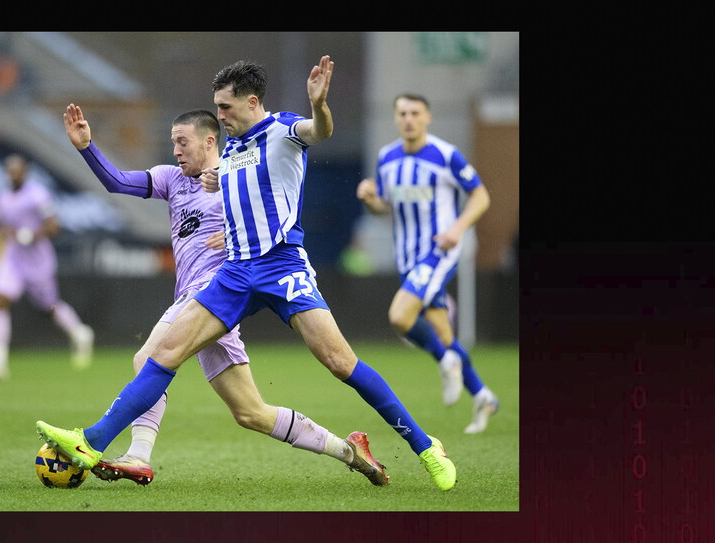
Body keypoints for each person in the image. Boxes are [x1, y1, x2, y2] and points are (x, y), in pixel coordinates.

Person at [37, 56, 456, 491]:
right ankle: (91, 441)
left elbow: (321, 132)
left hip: (281, 266)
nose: (220, 116)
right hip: (236, 273)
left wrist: (320, 105)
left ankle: (427, 447)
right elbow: (233, 189)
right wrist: (221, 193)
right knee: (162, 356)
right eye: (216, 109)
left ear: (251, 102)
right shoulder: (231, 152)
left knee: (340, 363)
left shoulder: (284, 130)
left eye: (225, 108)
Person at [62, 104, 389, 486]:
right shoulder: (172, 179)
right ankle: (351, 452)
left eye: (182, 143)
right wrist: (87, 147)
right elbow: (118, 182)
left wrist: (235, 234)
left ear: (209, 141)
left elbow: (274, 223)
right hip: (200, 306)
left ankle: (138, 454)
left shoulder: (237, 180)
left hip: (215, 293)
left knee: (147, 357)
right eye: (173, 143)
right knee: (251, 413)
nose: (176, 151)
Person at [355, 93, 499, 433]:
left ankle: (447, 361)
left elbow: (481, 195)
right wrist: (371, 198)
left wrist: (457, 229)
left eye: (415, 113)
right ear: (395, 118)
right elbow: (384, 208)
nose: (408, 119)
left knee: (399, 316)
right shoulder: (387, 158)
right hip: (407, 256)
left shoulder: (444, 154)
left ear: (427, 117)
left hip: (439, 250)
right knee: (445, 335)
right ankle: (482, 395)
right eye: (402, 113)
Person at [0, 153, 94, 382]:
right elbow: (5, 228)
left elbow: (54, 226)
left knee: (48, 306)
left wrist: (32, 234)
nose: (14, 174)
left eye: (17, 169)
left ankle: (80, 333)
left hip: (38, 260)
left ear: (25, 172)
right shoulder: (2, 198)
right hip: (13, 258)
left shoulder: (38, 196)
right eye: (10, 170)